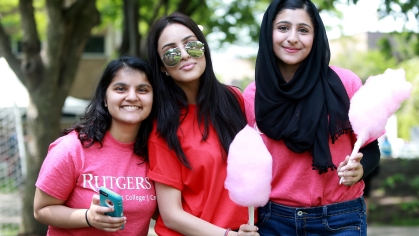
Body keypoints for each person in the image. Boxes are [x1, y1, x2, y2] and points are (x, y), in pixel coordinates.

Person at [242, 0, 381, 235]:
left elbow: (371, 149)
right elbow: (246, 166)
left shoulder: (347, 84)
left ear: (316, 36)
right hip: (273, 221)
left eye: (303, 30)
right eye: (283, 28)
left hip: (340, 219)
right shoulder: (253, 95)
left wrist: (360, 169)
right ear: (268, 32)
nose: (293, 38)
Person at [146, 12, 260, 236]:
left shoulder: (234, 99)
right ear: (162, 67)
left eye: (191, 45)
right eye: (170, 52)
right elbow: (171, 215)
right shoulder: (163, 125)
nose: (185, 55)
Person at [33, 56, 157, 236]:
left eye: (143, 89)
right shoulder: (72, 148)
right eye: (120, 88)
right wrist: (87, 217)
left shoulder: (156, 151)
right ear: (105, 98)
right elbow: (41, 209)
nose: (132, 97)